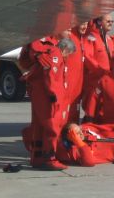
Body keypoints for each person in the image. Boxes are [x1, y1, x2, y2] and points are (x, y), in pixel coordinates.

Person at [21, 37, 76, 170]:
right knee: (52, 127)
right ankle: (49, 158)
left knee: (39, 126)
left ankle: (37, 158)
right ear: (65, 49)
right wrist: (54, 95)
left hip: (40, 94)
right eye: (68, 54)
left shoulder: (49, 53)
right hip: (48, 97)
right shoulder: (56, 54)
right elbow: (52, 75)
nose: (67, 57)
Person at [82, 14, 114, 100]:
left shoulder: (109, 39)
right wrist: (101, 71)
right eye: (108, 21)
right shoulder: (91, 37)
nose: (111, 23)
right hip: (94, 82)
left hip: (107, 81)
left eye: (112, 21)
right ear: (99, 22)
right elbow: (87, 57)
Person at [65, 21, 88, 122]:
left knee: (76, 107)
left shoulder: (81, 39)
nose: (85, 27)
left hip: (78, 84)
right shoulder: (70, 38)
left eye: (86, 24)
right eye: (82, 24)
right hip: (69, 82)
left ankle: (72, 129)